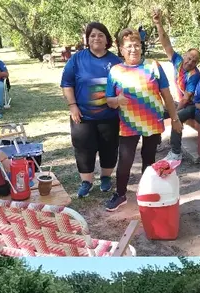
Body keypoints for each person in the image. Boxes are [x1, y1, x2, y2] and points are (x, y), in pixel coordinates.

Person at [105, 28, 182, 212]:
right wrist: (117, 100)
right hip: (128, 124)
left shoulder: (153, 65)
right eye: (129, 46)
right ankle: (120, 194)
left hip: (152, 122)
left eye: (137, 45)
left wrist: (175, 118)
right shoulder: (115, 71)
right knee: (125, 159)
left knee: (149, 158)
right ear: (121, 49)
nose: (134, 49)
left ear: (142, 46)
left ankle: (147, 191)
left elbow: (166, 95)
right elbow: (109, 101)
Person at [61, 22, 122, 198]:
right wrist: (72, 106)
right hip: (82, 115)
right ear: (88, 39)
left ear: (107, 39)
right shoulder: (77, 59)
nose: (96, 38)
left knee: (109, 147)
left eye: (100, 35)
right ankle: (86, 182)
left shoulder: (115, 61)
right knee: (83, 148)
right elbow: (67, 84)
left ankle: (105, 178)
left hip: (109, 115)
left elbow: (123, 86)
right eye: (93, 35)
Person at [152, 9, 200, 162]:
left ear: (197, 64)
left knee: (177, 117)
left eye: (194, 61)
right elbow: (166, 43)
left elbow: (186, 100)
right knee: (156, 109)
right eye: (189, 57)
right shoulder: (178, 61)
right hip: (180, 102)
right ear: (184, 55)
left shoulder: (194, 75)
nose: (190, 62)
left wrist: (173, 113)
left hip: (193, 106)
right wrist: (158, 23)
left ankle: (176, 152)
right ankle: (156, 141)